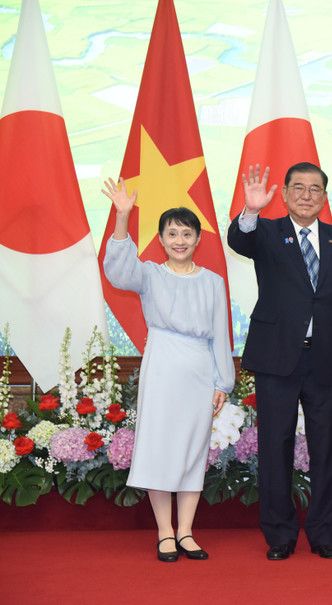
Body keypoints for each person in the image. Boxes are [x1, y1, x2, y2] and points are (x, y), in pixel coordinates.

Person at [227, 162, 332, 561]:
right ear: (284, 194)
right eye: (298, 188)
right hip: (276, 359)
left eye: (315, 189)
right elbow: (240, 240)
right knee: (275, 447)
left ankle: (324, 534)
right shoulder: (266, 232)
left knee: (327, 451)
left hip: (326, 361)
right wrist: (251, 210)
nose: (307, 195)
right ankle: (280, 534)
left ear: (325, 196)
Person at [102, 179, 235, 563]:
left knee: (193, 450)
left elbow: (221, 336)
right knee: (160, 448)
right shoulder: (150, 275)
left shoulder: (213, 282)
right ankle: (165, 532)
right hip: (161, 366)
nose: (179, 240)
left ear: (197, 240)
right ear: (161, 239)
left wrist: (222, 381)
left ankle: (187, 532)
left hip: (199, 371)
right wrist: (123, 217)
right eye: (172, 233)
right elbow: (118, 271)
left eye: (186, 234)